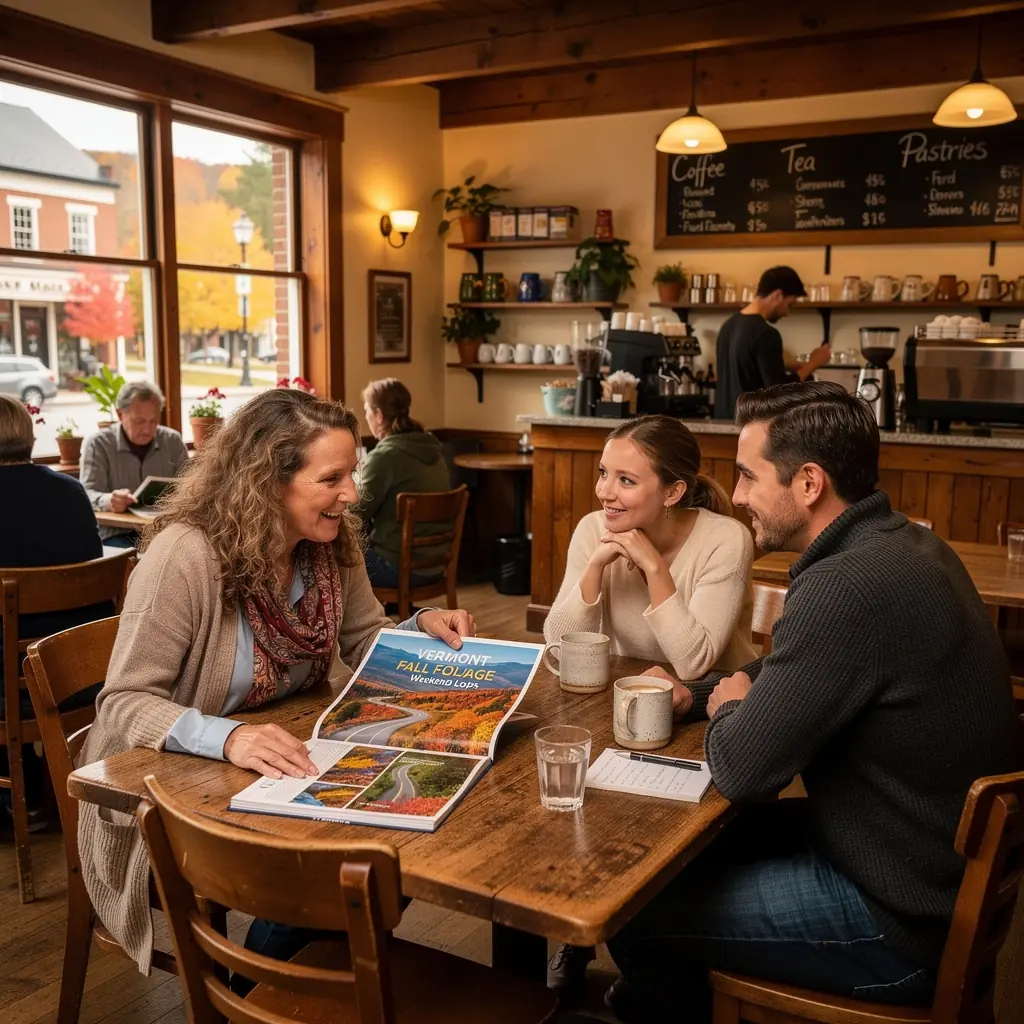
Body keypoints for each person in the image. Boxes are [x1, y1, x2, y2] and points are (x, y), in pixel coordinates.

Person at [602, 382, 1014, 1023]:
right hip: (920, 863)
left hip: (895, 918)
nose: (735, 496)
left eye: (746, 476)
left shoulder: (847, 586)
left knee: (630, 909)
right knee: (673, 864)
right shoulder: (905, 547)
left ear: (809, 483)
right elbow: (795, 672)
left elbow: (742, 771)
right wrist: (703, 693)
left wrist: (730, 709)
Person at [75, 388, 477, 975]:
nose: (351, 493)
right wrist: (231, 738)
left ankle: (293, 980)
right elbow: (123, 702)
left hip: (285, 757)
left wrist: (422, 627)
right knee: (343, 869)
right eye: (332, 477)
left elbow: (366, 638)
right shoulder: (185, 555)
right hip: (168, 779)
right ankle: (253, 991)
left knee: (402, 825)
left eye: (353, 472)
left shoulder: (331, 541)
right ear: (267, 481)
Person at [544, 414, 757, 996]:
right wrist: (592, 569)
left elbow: (695, 660)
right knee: (565, 801)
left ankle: (654, 967)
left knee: (653, 838)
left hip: (709, 711)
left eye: (625, 481)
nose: (604, 492)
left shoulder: (723, 538)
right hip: (614, 701)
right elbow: (560, 645)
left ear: (673, 491)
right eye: (603, 474)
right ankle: (574, 927)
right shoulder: (594, 529)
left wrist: (654, 568)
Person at [0, 395, 111, 829]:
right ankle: (34, 789)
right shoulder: (70, 492)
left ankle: (16, 796)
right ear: (29, 436)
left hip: (10, 675)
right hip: (73, 669)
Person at [355, 378, 451, 588]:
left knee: (327, 558)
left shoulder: (386, 456)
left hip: (397, 567)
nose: (366, 418)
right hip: (436, 564)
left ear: (379, 416)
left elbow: (357, 512)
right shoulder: (433, 448)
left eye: (367, 412)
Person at [80, 380, 188, 548]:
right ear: (120, 414)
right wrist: (108, 500)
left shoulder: (172, 441)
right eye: (139, 421)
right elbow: (86, 494)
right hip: (116, 534)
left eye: (153, 421)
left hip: (163, 532)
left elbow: (192, 487)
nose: (147, 429)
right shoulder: (99, 444)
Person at [714, 265, 831, 420]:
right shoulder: (766, 334)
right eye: (790, 304)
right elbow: (778, 392)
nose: (787, 313)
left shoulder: (728, 325)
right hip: (750, 424)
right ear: (778, 295)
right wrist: (813, 363)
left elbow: (745, 369)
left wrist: (788, 365)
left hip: (721, 422)